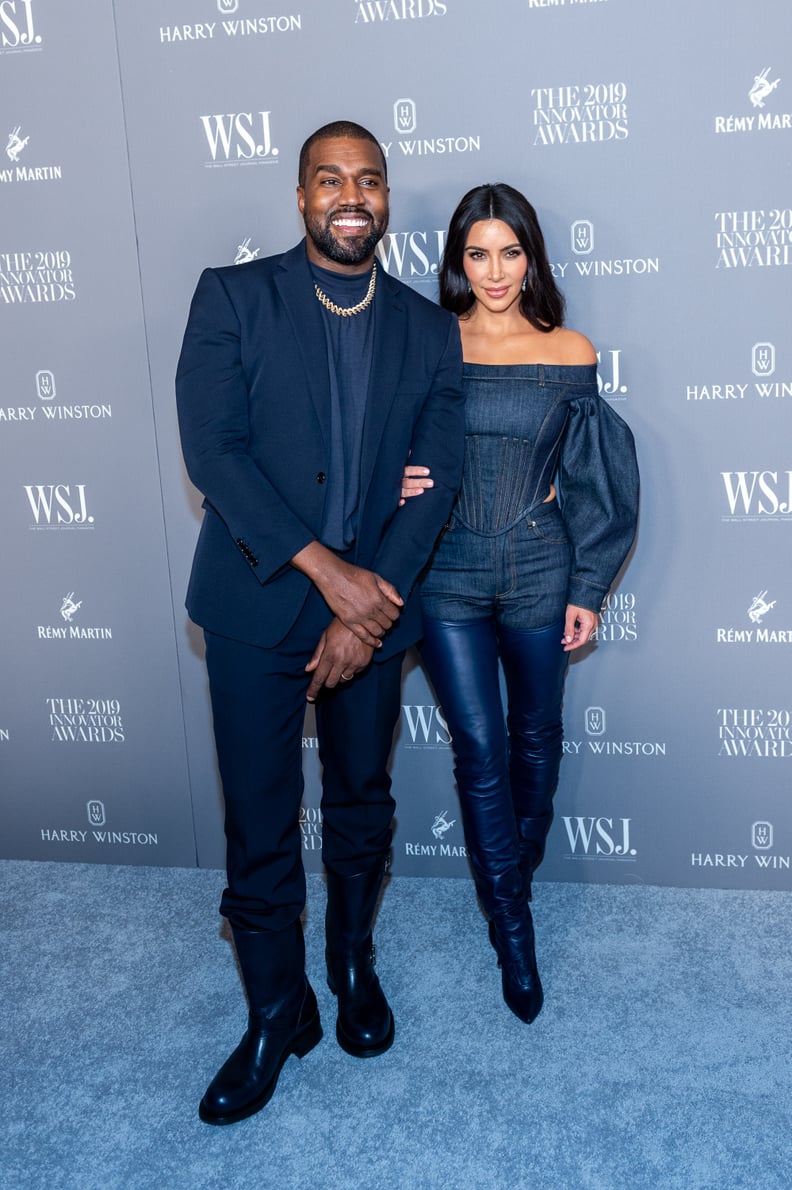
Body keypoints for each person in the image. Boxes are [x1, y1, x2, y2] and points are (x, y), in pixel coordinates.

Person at [176, 121, 465, 1125]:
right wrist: (326, 573)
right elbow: (217, 452)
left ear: (387, 200)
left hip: (377, 606)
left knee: (360, 798)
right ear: (301, 196)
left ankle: (350, 964)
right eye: (330, 178)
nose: (352, 194)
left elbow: (438, 479)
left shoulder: (431, 331)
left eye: (370, 180)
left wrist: (368, 596)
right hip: (258, 598)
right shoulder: (232, 298)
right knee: (257, 817)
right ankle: (274, 1010)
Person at [402, 183, 639, 1025]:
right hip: (446, 571)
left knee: (537, 735)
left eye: (510, 252)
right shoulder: (427, 343)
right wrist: (392, 475)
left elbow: (594, 479)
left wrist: (588, 587)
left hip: (541, 565)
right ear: (457, 262)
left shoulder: (571, 349)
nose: (495, 271)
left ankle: (515, 873)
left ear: (530, 257)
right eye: (478, 253)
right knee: (478, 747)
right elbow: (376, 435)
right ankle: (514, 930)